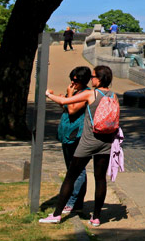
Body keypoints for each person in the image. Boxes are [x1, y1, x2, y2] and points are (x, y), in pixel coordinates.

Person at [40, 65, 118, 227]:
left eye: (94, 76)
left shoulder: (91, 94)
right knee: (100, 178)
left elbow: (64, 101)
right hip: (106, 142)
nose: (92, 79)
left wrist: (48, 94)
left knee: (71, 176)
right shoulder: (113, 96)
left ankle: (56, 215)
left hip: (88, 142)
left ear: (100, 78)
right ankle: (96, 217)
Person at [54, 66, 91, 215]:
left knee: (77, 169)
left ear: (83, 80)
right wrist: (63, 99)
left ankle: (73, 201)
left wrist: (69, 96)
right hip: (67, 134)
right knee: (71, 168)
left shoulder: (86, 93)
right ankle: (75, 202)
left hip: (76, 135)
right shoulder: (77, 92)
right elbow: (67, 107)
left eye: (75, 80)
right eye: (71, 78)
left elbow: (73, 110)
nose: (72, 82)